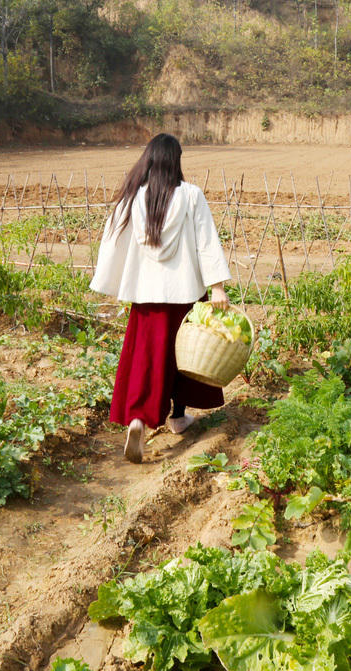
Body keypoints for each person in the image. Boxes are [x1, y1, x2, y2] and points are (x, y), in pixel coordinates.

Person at [91, 133, 231, 463]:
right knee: (184, 357)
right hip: (183, 292)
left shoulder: (133, 198)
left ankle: (138, 418)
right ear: (176, 161)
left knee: (146, 356)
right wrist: (218, 286)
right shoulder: (191, 196)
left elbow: (112, 242)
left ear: (149, 161)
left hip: (145, 294)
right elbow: (206, 242)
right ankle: (178, 418)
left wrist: (110, 282)